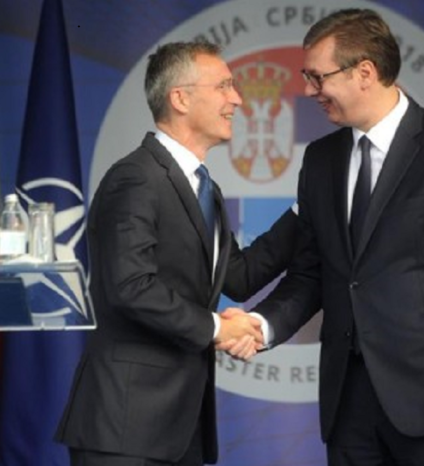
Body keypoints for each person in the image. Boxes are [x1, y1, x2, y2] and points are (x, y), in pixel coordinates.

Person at [242, 8, 424, 466]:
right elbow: (311, 273)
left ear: (364, 72)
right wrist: (260, 326)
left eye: (317, 77)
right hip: (350, 408)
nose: (309, 91)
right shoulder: (321, 159)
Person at [54, 39, 297, 466]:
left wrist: (304, 212)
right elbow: (131, 286)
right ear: (180, 98)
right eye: (223, 86)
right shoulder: (135, 177)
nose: (237, 100)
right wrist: (218, 329)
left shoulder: (204, 187)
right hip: (125, 428)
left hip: (179, 429)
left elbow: (238, 276)